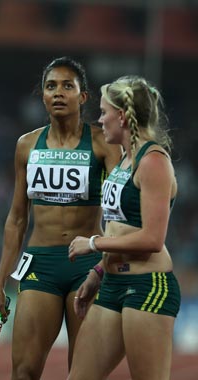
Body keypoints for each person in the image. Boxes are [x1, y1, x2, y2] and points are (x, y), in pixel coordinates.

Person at [0, 57, 122, 380]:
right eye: (51, 86)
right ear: (43, 96)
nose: (58, 93)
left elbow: (119, 211)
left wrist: (109, 265)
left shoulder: (103, 144)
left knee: (83, 373)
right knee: (24, 371)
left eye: (67, 86)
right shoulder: (27, 146)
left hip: (86, 264)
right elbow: (17, 219)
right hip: (39, 264)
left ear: (83, 96)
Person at [68, 76, 180, 380]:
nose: (100, 119)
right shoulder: (124, 161)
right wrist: (98, 273)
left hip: (147, 286)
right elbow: (119, 229)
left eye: (104, 111)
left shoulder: (153, 161)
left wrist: (93, 244)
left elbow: (152, 239)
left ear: (122, 115)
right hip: (113, 284)